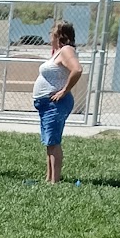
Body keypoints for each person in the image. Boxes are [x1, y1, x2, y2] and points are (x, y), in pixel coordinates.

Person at [33, 20, 83, 183]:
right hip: (46, 104)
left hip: (56, 104)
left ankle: (55, 181)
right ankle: (49, 178)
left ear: (59, 35)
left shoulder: (67, 50)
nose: (49, 35)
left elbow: (77, 69)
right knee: (49, 142)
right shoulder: (58, 52)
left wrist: (64, 90)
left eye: (51, 32)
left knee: (54, 141)